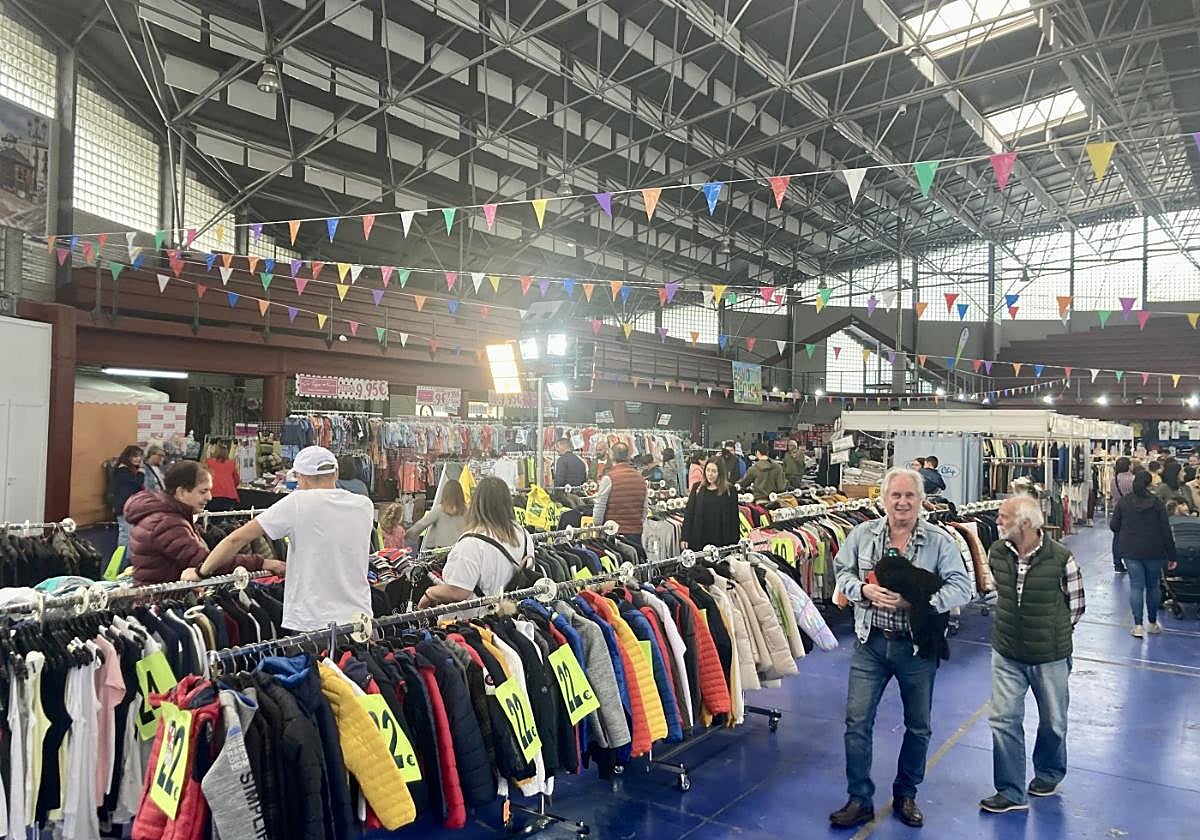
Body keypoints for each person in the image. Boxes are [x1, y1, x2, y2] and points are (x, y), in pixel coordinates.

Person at [830, 467, 972, 829]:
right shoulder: (862, 534)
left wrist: (917, 603)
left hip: (916, 650)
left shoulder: (939, 541)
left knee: (918, 726)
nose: (903, 502)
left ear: (921, 500)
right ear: (884, 499)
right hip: (871, 643)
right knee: (856, 723)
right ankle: (859, 799)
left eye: (910, 495)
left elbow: (962, 588)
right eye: (896, 495)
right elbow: (841, 570)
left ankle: (906, 795)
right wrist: (862, 590)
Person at [979, 495, 1085, 814]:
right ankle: (1010, 791)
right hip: (1007, 652)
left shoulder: (1061, 558)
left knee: (1054, 721)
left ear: (1024, 523)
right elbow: (998, 590)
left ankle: (1049, 773)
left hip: (1049, 655)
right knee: (1003, 720)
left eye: (1003, 516)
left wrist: (1050, 633)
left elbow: (1076, 606)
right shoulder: (997, 552)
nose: (998, 521)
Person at [197, 445, 374, 633]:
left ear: (301, 477)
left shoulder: (298, 503)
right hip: (359, 617)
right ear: (336, 473)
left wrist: (202, 571)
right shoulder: (364, 505)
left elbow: (237, 538)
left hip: (313, 619)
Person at [126, 461, 284, 585]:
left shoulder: (172, 517)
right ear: (181, 492)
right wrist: (262, 563)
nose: (209, 497)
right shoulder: (166, 523)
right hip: (161, 603)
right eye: (203, 491)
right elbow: (207, 563)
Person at [418, 476, 534, 607]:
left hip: (478, 617)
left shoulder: (472, 543)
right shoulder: (524, 535)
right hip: (514, 613)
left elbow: (458, 591)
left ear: (476, 504)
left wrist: (430, 593)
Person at [1110, 469, 1176, 638]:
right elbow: (1166, 530)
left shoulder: (1124, 502)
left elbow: (1114, 526)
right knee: (1153, 586)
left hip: (1130, 550)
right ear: (1149, 484)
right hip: (1155, 550)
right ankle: (1152, 623)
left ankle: (1138, 625)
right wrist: (1172, 555)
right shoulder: (1157, 503)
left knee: (1136, 586)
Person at [591, 442, 650, 552]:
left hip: (613, 534)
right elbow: (645, 509)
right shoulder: (640, 478)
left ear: (611, 455)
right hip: (635, 533)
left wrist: (599, 527)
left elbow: (600, 507)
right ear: (628, 456)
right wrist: (636, 523)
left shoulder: (609, 478)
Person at [681, 460, 739, 550]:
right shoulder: (697, 488)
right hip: (699, 538)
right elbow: (689, 513)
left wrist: (735, 545)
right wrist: (685, 537)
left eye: (714, 471)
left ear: (720, 473)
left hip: (722, 540)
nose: (710, 474)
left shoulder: (730, 490)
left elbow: (734, 519)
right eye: (708, 470)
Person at [407, 479, 468, 551]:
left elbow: (422, 524)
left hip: (441, 549)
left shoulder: (440, 509)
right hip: (460, 547)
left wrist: (407, 534)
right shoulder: (467, 509)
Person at [112, 445, 145, 549]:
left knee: (128, 533)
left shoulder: (130, 470)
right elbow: (136, 483)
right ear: (127, 457)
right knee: (126, 534)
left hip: (129, 506)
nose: (138, 459)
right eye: (134, 456)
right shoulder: (123, 471)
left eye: (139, 456)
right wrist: (141, 472)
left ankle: (126, 555)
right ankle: (123, 557)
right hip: (124, 506)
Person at [1110, 456, 1134, 572]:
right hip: (1131, 511)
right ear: (1129, 466)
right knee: (1132, 537)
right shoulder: (1133, 479)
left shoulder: (1113, 480)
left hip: (1117, 511)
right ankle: (1131, 562)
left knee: (1117, 538)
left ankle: (1117, 563)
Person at [205, 442, 241, 512]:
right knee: (224, 515)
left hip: (213, 494)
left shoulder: (209, 462)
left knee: (211, 515)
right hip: (229, 495)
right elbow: (236, 480)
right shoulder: (231, 463)